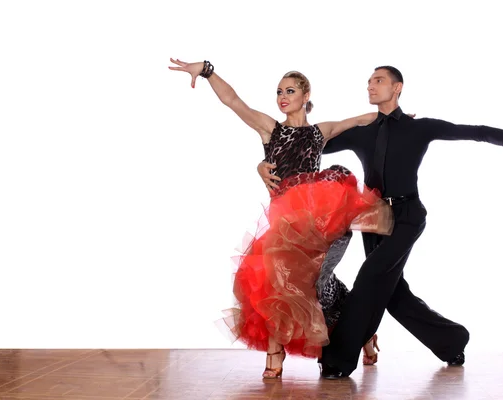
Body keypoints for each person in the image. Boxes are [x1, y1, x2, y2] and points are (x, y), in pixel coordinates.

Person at [257, 66, 503, 378]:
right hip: (374, 220)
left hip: (407, 216)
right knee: (395, 297)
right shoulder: (362, 131)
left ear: (397, 87)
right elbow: (300, 148)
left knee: (369, 278)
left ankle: (337, 360)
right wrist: (262, 164)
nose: (371, 86)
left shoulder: (419, 128)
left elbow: (474, 131)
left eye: (379, 81)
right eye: (369, 81)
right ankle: (452, 340)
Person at [168, 58, 395, 379]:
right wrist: (206, 72)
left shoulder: (321, 132)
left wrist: (398, 118)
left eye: (290, 91)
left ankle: (361, 334)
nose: (282, 97)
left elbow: (363, 118)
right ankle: (279, 352)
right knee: (276, 284)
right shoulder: (269, 129)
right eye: (278, 92)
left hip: (321, 224)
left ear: (306, 96)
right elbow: (233, 101)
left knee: (316, 286)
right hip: (284, 228)